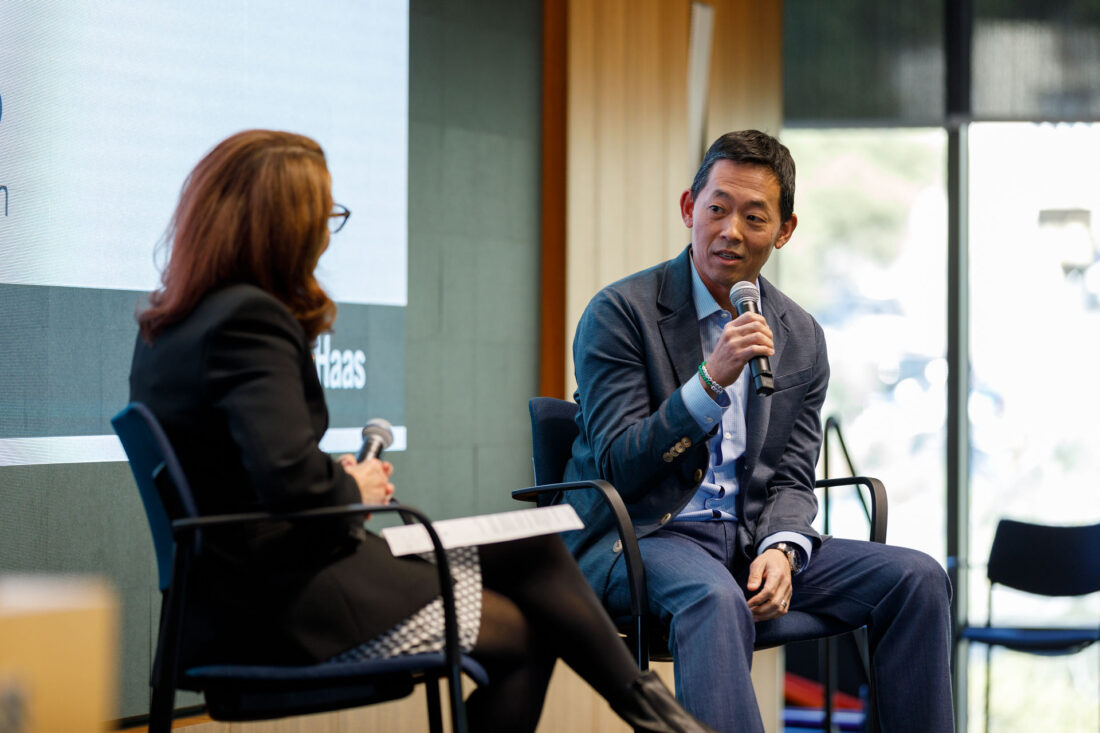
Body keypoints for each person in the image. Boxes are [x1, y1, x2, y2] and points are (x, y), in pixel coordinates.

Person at [128, 129, 718, 733]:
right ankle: (664, 722)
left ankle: (660, 720)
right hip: (283, 600)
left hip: (245, 587)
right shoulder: (249, 321)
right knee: (520, 631)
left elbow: (241, 472)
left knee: (536, 546)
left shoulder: (173, 325)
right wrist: (352, 487)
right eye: (322, 216)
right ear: (284, 224)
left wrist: (338, 480)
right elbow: (290, 488)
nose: (326, 235)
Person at [560, 130, 954, 732]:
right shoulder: (620, 313)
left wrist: (783, 547)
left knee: (918, 578)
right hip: (641, 537)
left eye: (754, 217)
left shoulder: (798, 333)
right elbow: (616, 465)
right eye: (717, 209)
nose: (731, 231)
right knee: (713, 598)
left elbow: (795, 475)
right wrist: (708, 384)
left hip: (746, 540)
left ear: (785, 231)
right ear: (689, 209)